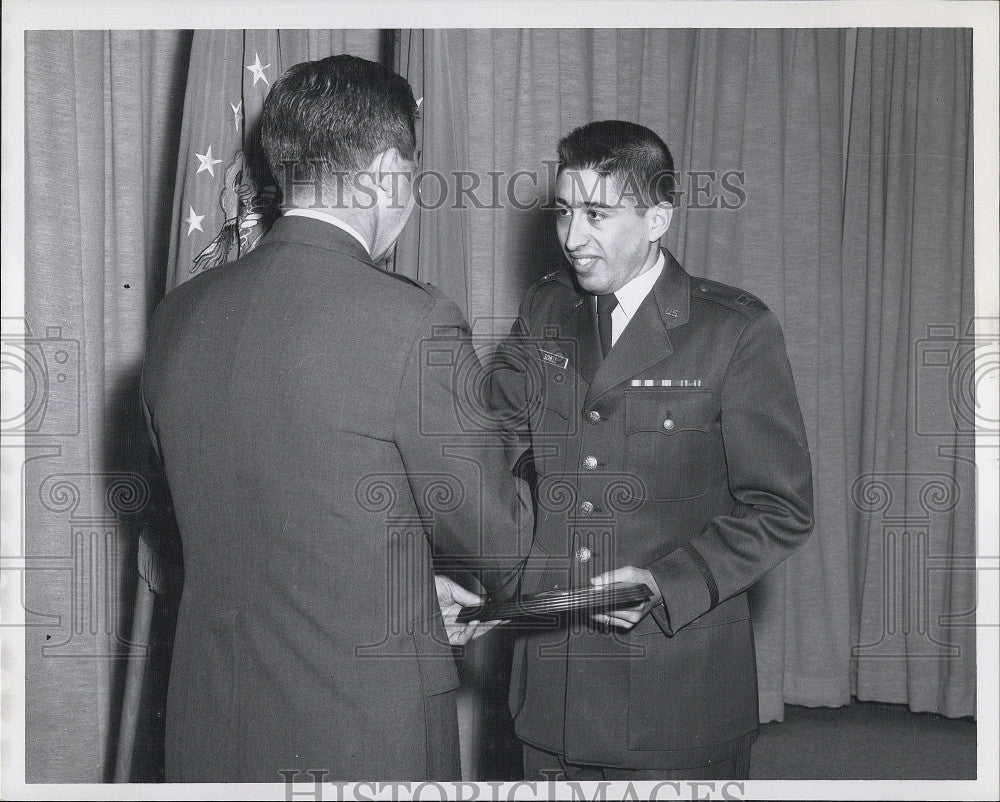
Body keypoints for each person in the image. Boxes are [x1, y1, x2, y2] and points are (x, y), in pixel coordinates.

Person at [141, 55, 529, 782]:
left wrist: (409, 588)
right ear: (386, 171)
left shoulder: (177, 315)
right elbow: (499, 543)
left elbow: (271, 516)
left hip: (207, 721)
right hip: (358, 731)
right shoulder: (413, 321)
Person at [488, 120, 814, 780]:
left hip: (676, 691)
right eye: (565, 212)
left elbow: (780, 508)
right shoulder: (547, 309)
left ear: (658, 217)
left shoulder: (733, 331)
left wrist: (669, 584)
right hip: (550, 687)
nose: (573, 238)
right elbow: (495, 435)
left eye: (597, 214)